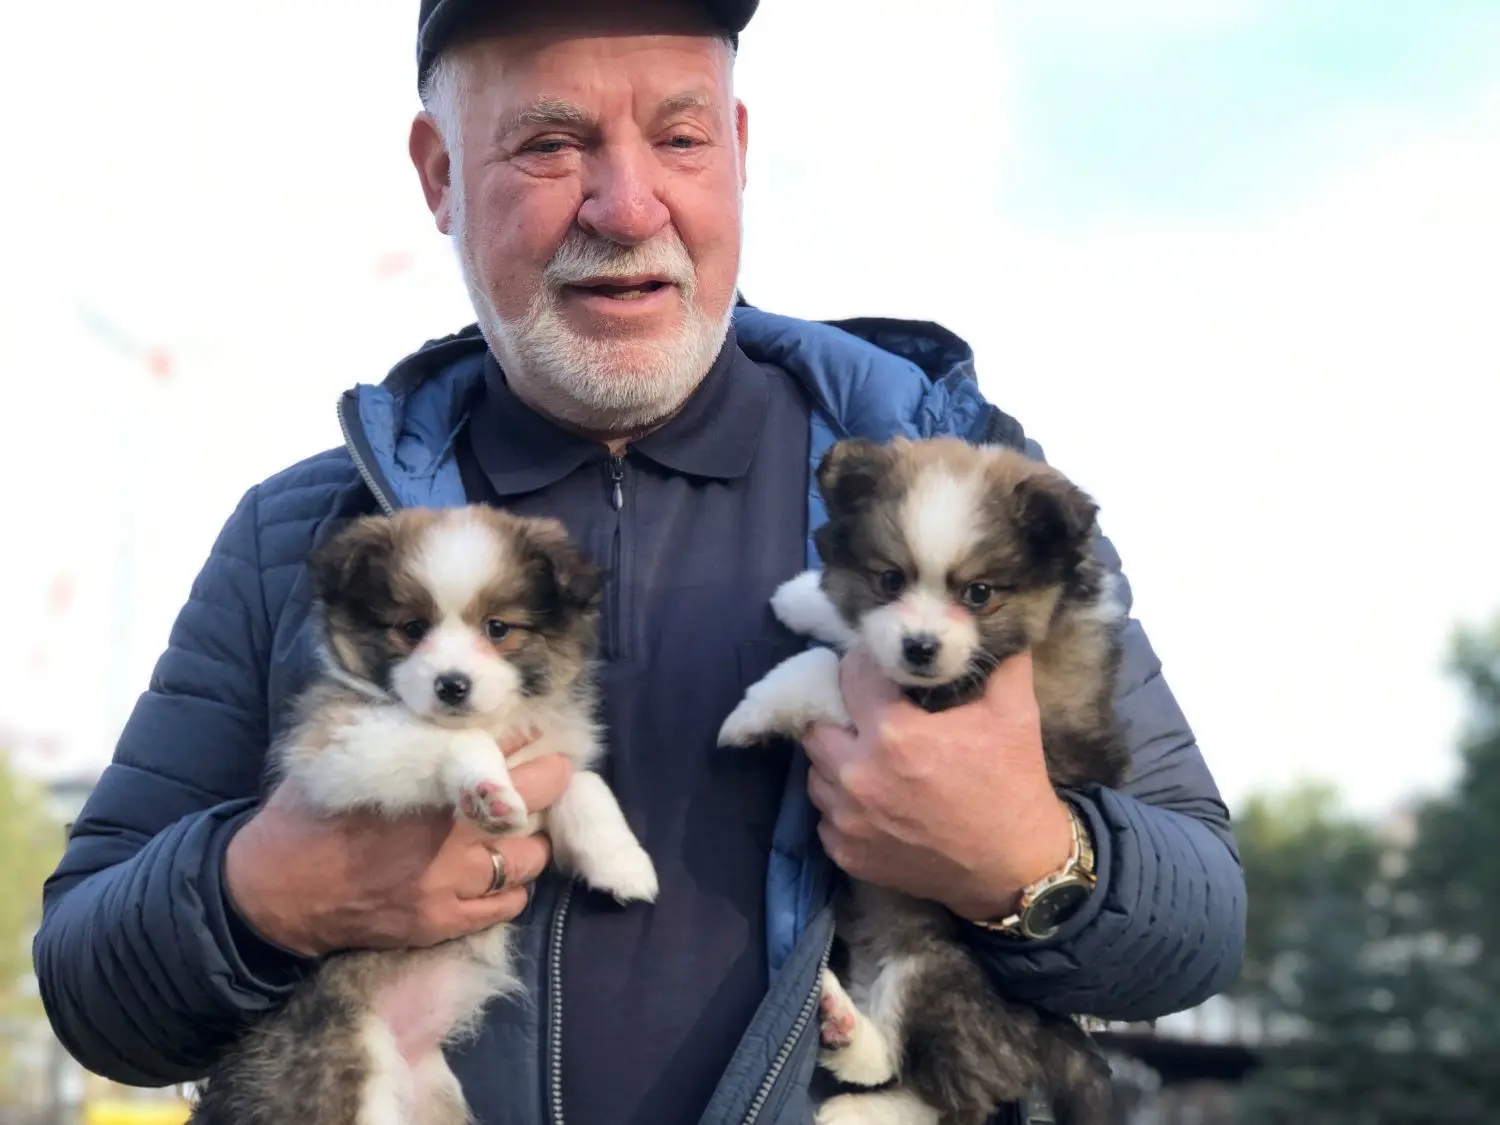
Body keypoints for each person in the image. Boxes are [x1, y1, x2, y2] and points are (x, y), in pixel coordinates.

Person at [33, 2, 1247, 1124]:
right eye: (552, 145)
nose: (626, 205)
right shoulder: (300, 534)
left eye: (679, 137)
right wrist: (259, 896)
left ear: (740, 148)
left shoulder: (959, 491)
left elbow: (1199, 925)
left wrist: (1028, 861)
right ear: (439, 174)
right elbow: (93, 990)